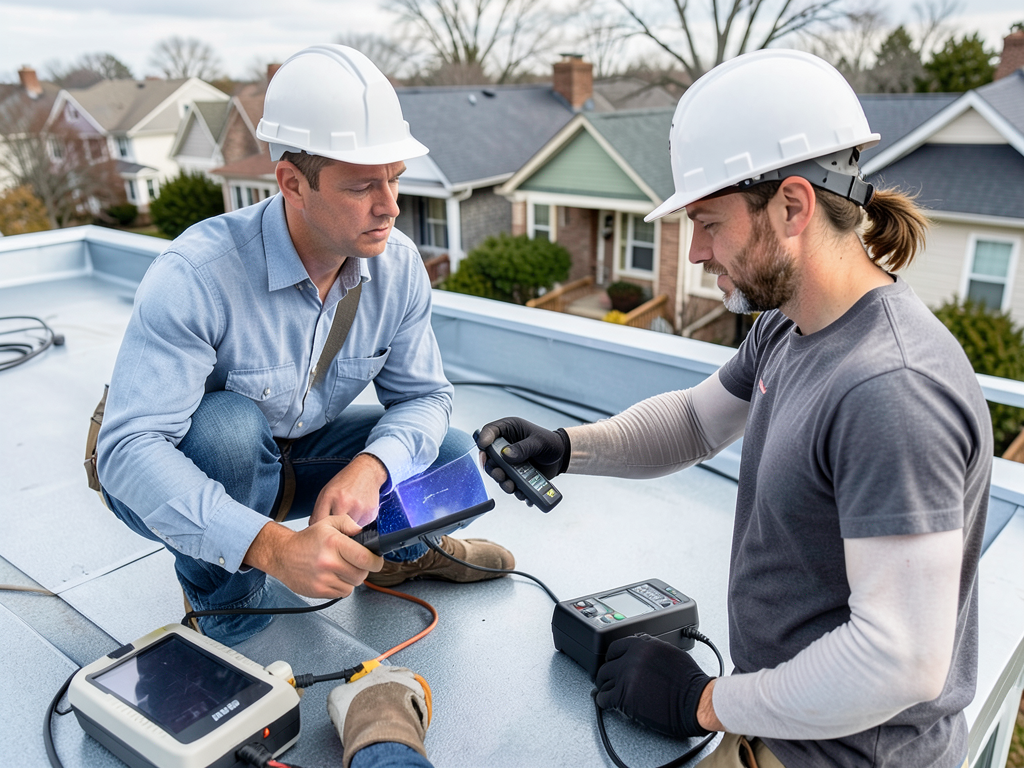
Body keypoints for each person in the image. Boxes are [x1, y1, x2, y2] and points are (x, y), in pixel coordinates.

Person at [476, 49, 990, 768]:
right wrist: (566, 447)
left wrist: (703, 701)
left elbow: (898, 662)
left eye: (708, 223)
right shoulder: (791, 324)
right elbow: (695, 421)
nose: (694, 253)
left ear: (791, 206)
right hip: (775, 722)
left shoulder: (891, 390)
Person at [95, 44, 513, 646]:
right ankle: (229, 606)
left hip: (298, 458)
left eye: (394, 179)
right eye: (363, 186)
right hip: (217, 468)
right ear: (292, 183)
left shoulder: (396, 267)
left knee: (446, 454)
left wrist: (372, 467)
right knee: (230, 431)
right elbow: (128, 451)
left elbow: (425, 397)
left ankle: (391, 554)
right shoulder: (197, 274)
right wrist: (275, 548)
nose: (390, 208)